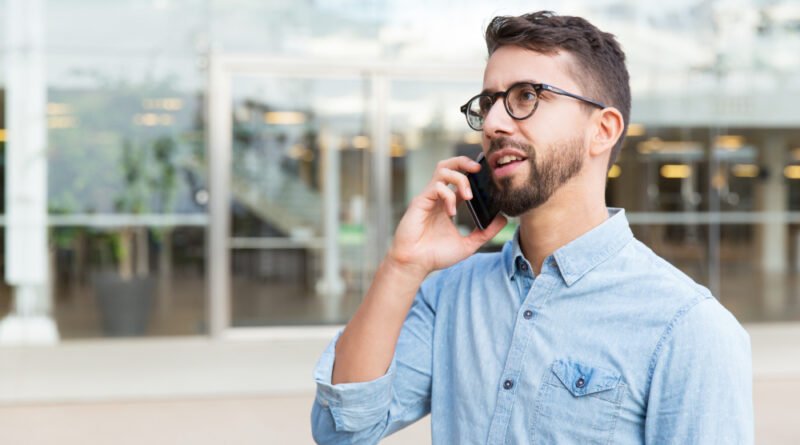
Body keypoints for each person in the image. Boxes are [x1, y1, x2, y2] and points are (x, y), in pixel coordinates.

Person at [311, 11, 753, 445]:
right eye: (488, 103)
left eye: (526, 96)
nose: (493, 124)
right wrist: (402, 265)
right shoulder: (448, 295)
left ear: (602, 130)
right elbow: (341, 429)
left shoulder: (688, 328)